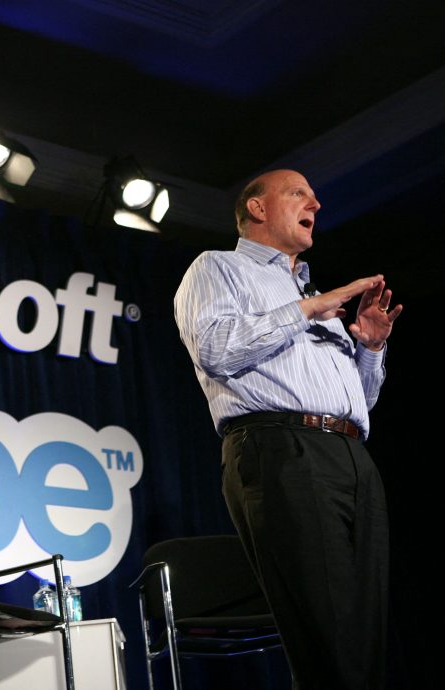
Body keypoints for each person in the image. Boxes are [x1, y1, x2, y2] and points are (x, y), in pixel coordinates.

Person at [173, 169, 402, 690]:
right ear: (257, 208)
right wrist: (307, 309)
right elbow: (215, 350)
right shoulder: (218, 268)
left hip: (350, 455)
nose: (315, 204)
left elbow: (358, 402)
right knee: (327, 634)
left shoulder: (310, 291)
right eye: (299, 194)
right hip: (281, 448)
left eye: (315, 197)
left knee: (364, 636)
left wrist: (370, 347)